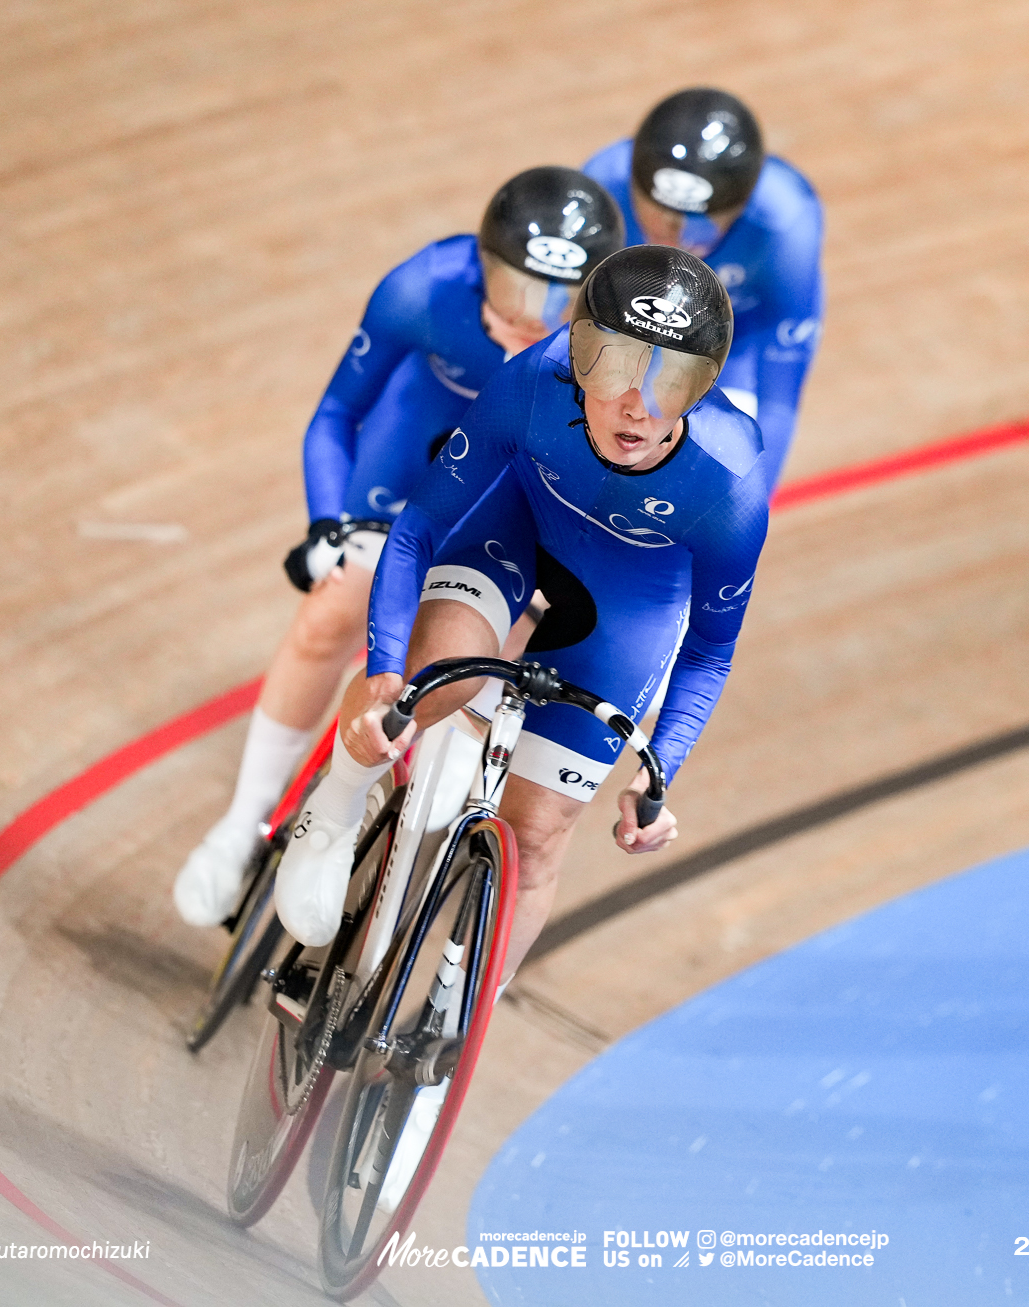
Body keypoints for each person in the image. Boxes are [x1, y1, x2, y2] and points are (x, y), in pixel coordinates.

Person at [272, 244, 771, 977]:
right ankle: (335, 808)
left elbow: (708, 651)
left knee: (535, 837)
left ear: (706, 387)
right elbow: (417, 529)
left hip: (627, 610)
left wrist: (659, 769)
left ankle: (449, 1033)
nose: (638, 403)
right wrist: (384, 671)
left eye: (671, 378)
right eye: (617, 364)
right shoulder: (534, 382)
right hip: (511, 536)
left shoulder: (729, 484)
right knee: (441, 682)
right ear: (578, 353)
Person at [172, 167, 624, 927]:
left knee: (501, 647)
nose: (529, 317)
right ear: (481, 264)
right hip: (413, 455)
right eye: (515, 290)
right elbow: (339, 413)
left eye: (555, 301)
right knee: (336, 604)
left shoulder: (606, 357)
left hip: (510, 489)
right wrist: (327, 525)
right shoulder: (425, 287)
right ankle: (241, 824)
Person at [584, 87, 823, 485]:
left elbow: (779, 390)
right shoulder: (602, 185)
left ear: (743, 206)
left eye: (700, 222)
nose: (674, 235)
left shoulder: (786, 224)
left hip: (741, 333)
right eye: (657, 213)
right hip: (630, 324)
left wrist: (751, 498)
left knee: (726, 468)